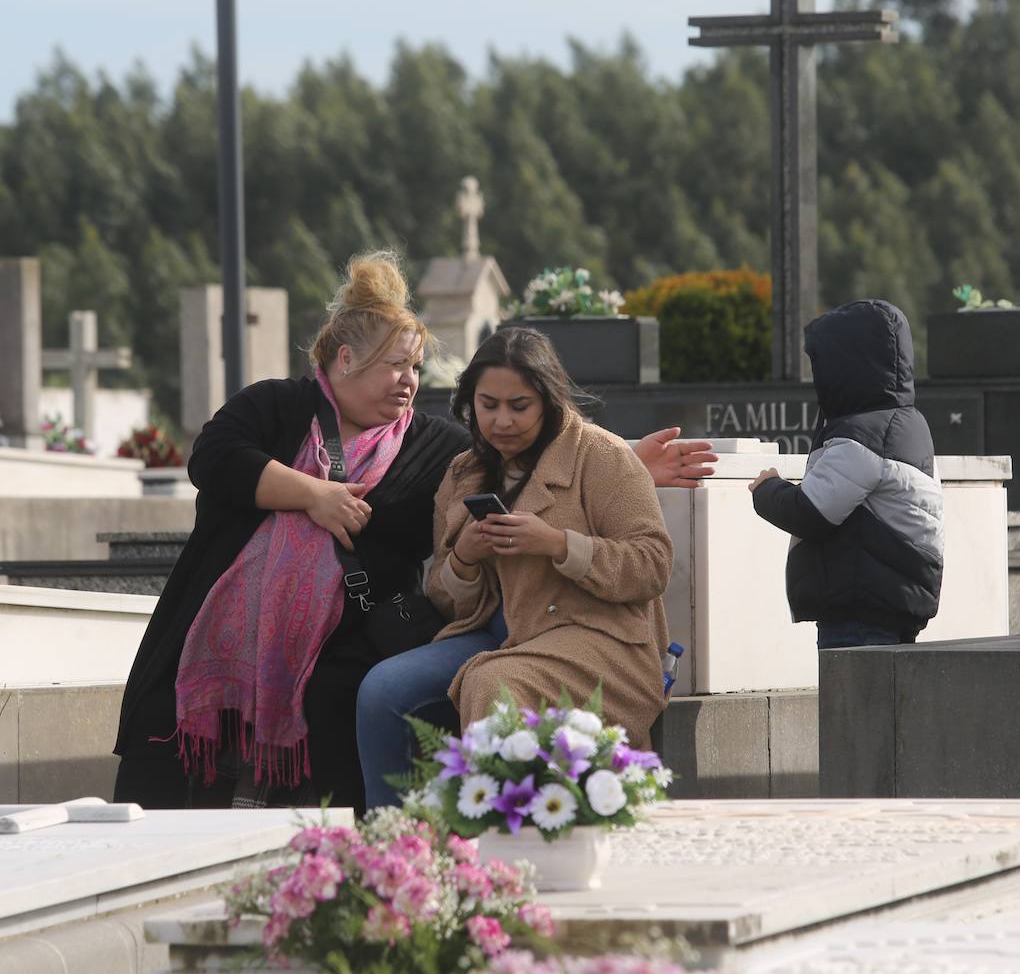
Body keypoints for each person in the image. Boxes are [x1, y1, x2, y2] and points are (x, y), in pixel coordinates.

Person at [113, 251, 464, 809]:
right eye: (395, 365)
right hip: (206, 644)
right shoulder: (277, 405)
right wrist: (315, 494)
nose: (409, 381)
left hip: (347, 656)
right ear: (345, 359)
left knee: (326, 762)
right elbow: (215, 457)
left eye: (416, 366)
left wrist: (626, 460)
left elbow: (517, 463)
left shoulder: (433, 443)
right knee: (173, 777)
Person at [422, 326, 672, 759]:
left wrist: (558, 544)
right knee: (380, 691)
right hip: (501, 638)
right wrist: (465, 556)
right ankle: (399, 824)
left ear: (549, 401)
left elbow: (652, 565)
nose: (503, 421)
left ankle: (505, 817)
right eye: (488, 405)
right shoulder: (463, 473)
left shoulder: (602, 455)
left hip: (606, 643)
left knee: (494, 683)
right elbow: (444, 600)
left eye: (520, 406)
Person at [748, 299, 944, 648]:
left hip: (861, 613)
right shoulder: (900, 422)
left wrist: (767, 488)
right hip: (886, 605)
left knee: (857, 704)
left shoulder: (867, 434)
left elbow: (810, 513)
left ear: (847, 365)